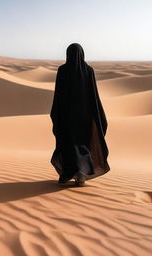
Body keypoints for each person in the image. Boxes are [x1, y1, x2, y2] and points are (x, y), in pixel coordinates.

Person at [50, 43, 110, 186]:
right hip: (85, 116)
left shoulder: (63, 70)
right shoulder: (88, 70)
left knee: (67, 143)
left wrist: (56, 113)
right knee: (82, 144)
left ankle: (68, 174)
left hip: (66, 115)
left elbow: (58, 95)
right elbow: (93, 95)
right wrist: (97, 115)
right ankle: (80, 175)